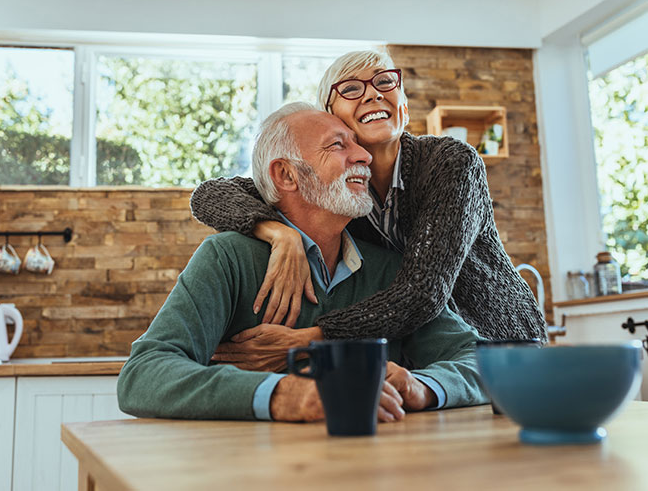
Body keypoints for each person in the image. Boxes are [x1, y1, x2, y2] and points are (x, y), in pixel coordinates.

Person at [117, 102, 488, 422]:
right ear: (286, 175)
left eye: (357, 145)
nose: (364, 156)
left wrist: (421, 385)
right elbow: (143, 375)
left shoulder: (390, 270)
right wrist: (284, 395)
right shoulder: (227, 258)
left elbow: (479, 361)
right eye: (338, 146)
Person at [190, 50, 546, 371]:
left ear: (403, 105)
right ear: (331, 117)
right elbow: (211, 194)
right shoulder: (334, 191)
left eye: (385, 81)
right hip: (416, 360)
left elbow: (423, 293)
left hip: (497, 344)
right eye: (351, 89)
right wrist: (278, 232)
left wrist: (310, 338)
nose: (373, 93)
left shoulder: (451, 163)